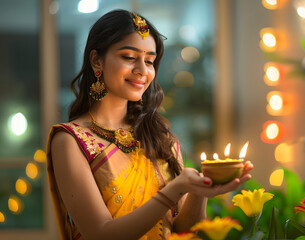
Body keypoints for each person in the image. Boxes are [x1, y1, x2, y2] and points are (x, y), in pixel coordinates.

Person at [46, 9, 253, 240]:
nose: (142, 71)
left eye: (150, 61)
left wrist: (199, 190)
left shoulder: (160, 136)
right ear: (97, 60)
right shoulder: (70, 140)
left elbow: (185, 232)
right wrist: (173, 190)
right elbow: (100, 234)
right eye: (129, 57)